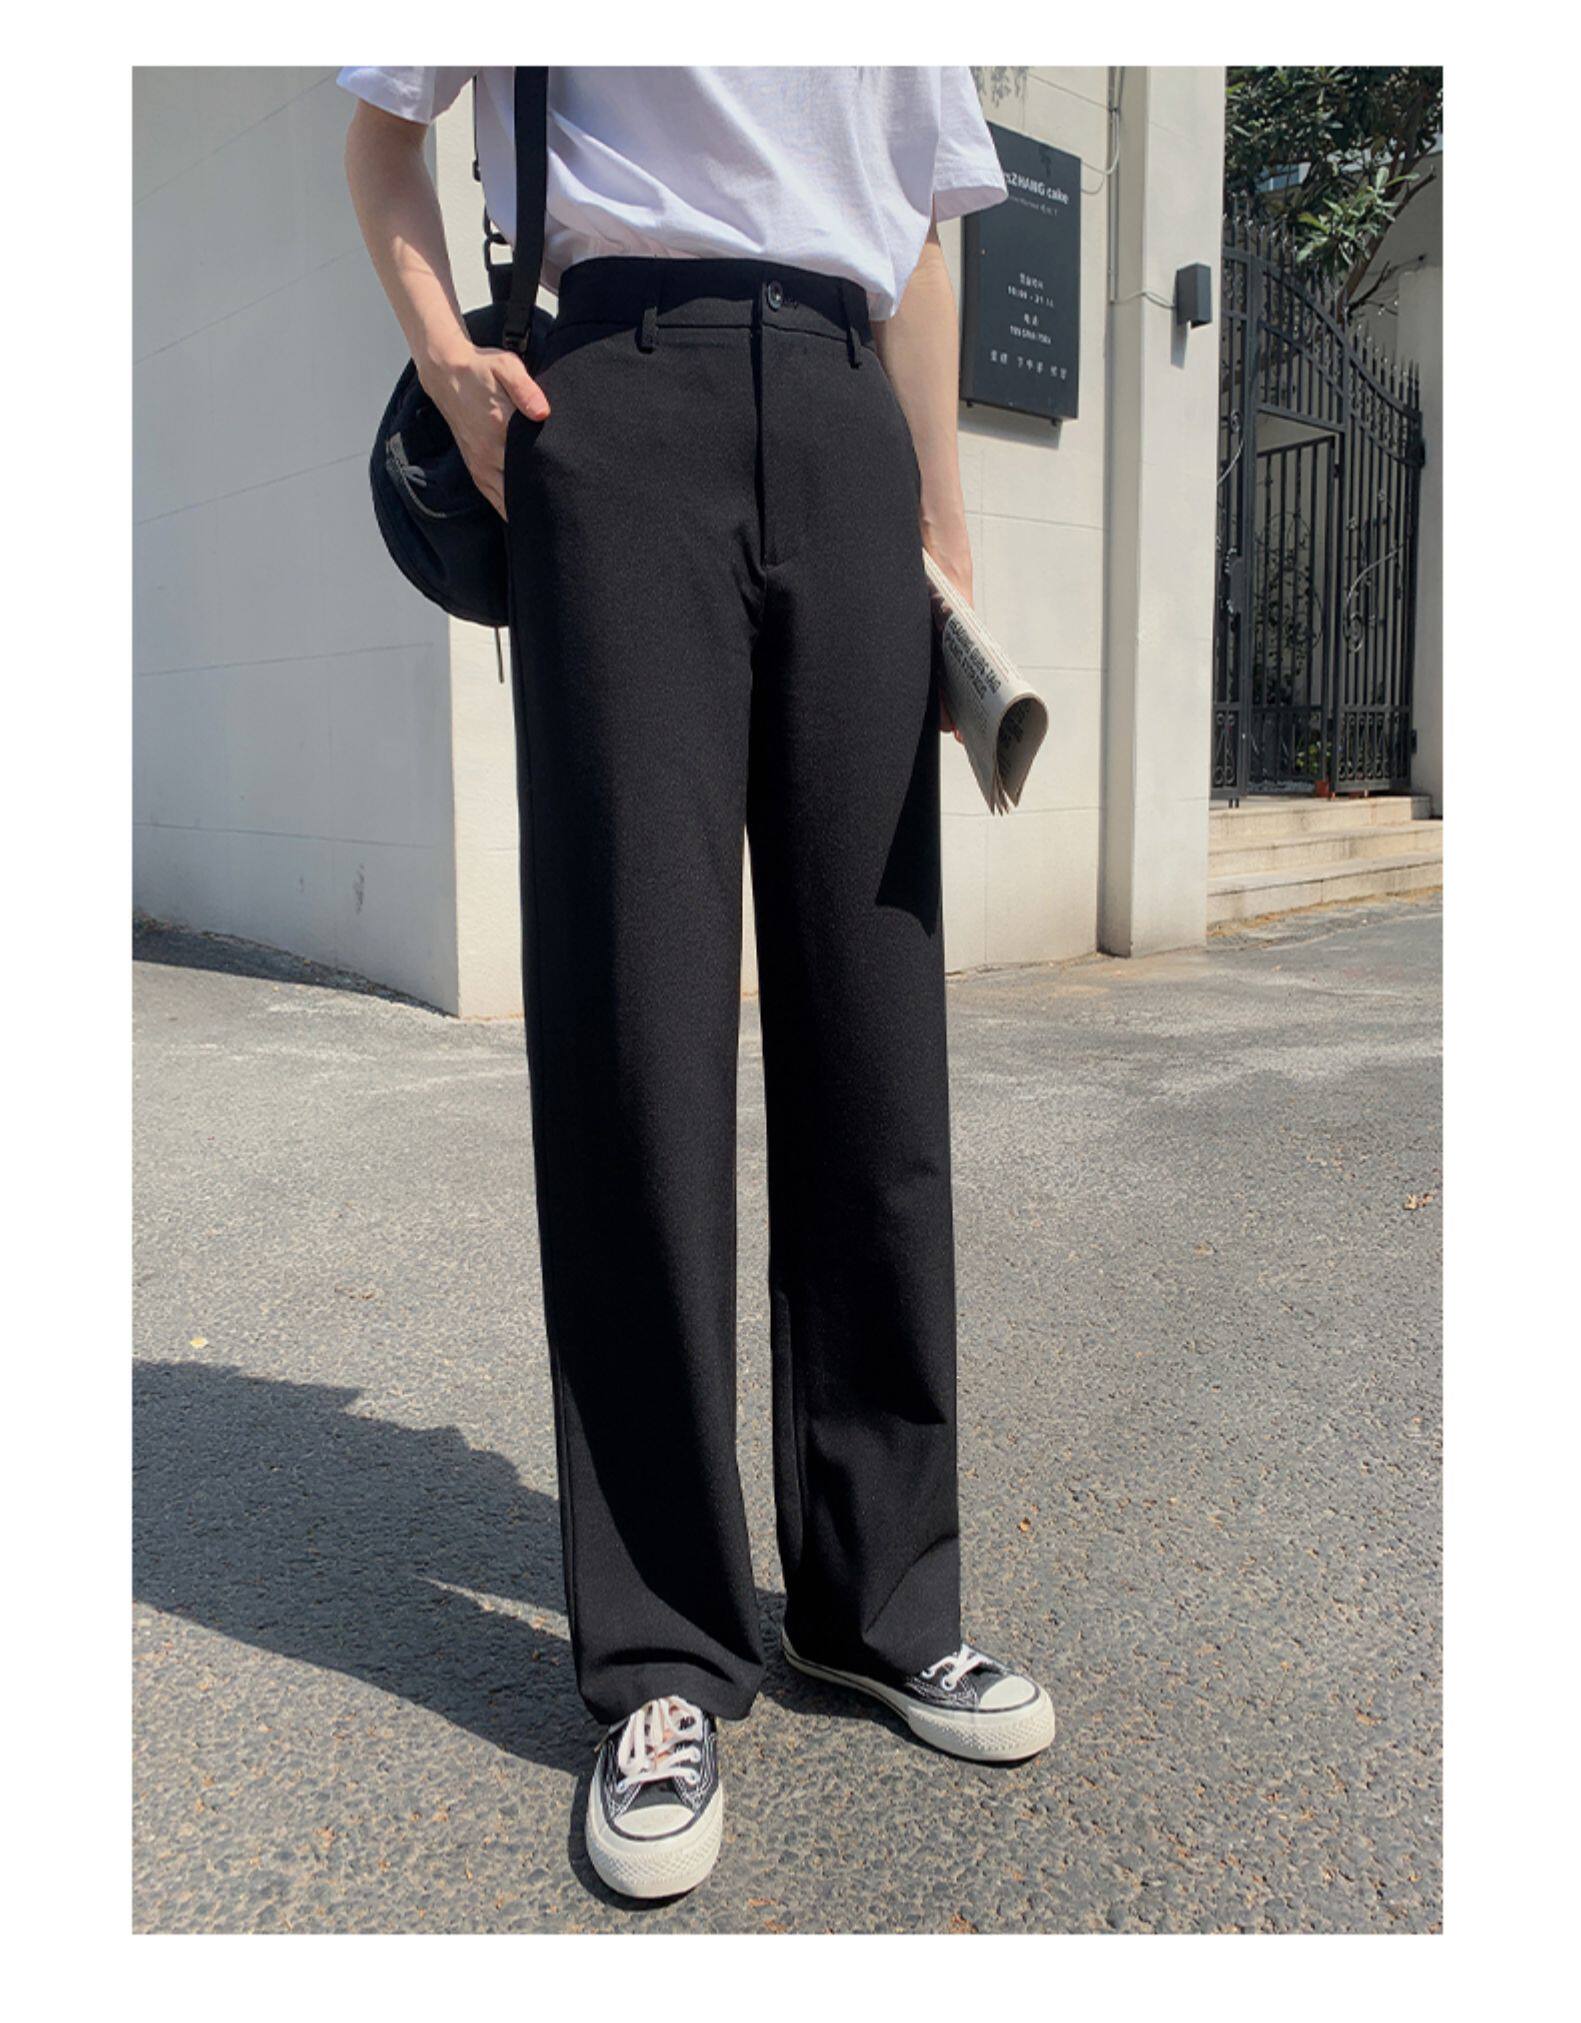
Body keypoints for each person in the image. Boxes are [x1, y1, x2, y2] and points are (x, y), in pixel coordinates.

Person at [340, 64, 1055, 1901]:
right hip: (616, 401)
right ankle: (659, 1652)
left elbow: (919, 243)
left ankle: (878, 1600)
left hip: (844, 419)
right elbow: (383, 134)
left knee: (876, 1035)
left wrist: (941, 526)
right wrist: (448, 363)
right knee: (636, 1039)